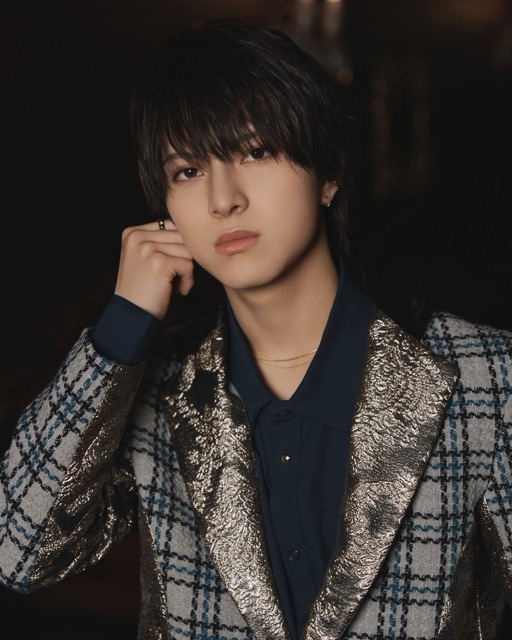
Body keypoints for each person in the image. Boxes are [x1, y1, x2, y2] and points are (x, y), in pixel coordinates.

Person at [0, 18, 511, 640]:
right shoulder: (152, 385)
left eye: (255, 152)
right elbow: (18, 552)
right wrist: (119, 333)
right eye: (187, 170)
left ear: (329, 173)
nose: (223, 199)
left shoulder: (488, 377)